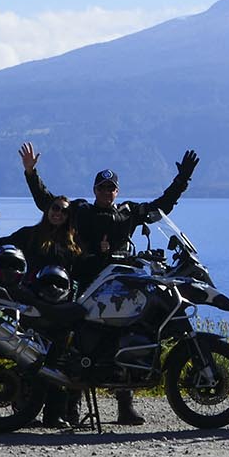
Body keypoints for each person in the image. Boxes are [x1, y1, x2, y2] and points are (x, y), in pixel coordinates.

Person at [17, 141, 199, 426]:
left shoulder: (127, 212)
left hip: (121, 286)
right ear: (94, 190)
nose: (106, 192)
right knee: (80, 342)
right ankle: (72, 410)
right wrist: (31, 172)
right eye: (101, 188)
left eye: (110, 188)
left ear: (117, 191)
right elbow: (47, 201)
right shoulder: (81, 211)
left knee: (126, 334)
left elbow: (162, 206)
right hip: (86, 283)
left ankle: (125, 407)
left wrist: (182, 179)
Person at [0, 197, 83, 428]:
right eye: (54, 208)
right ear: (47, 211)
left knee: (63, 357)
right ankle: (25, 407)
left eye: (63, 211)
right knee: (37, 357)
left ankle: (60, 413)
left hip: (61, 306)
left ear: (68, 216)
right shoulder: (31, 234)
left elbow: (81, 272)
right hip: (35, 304)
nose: (58, 213)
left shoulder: (73, 242)